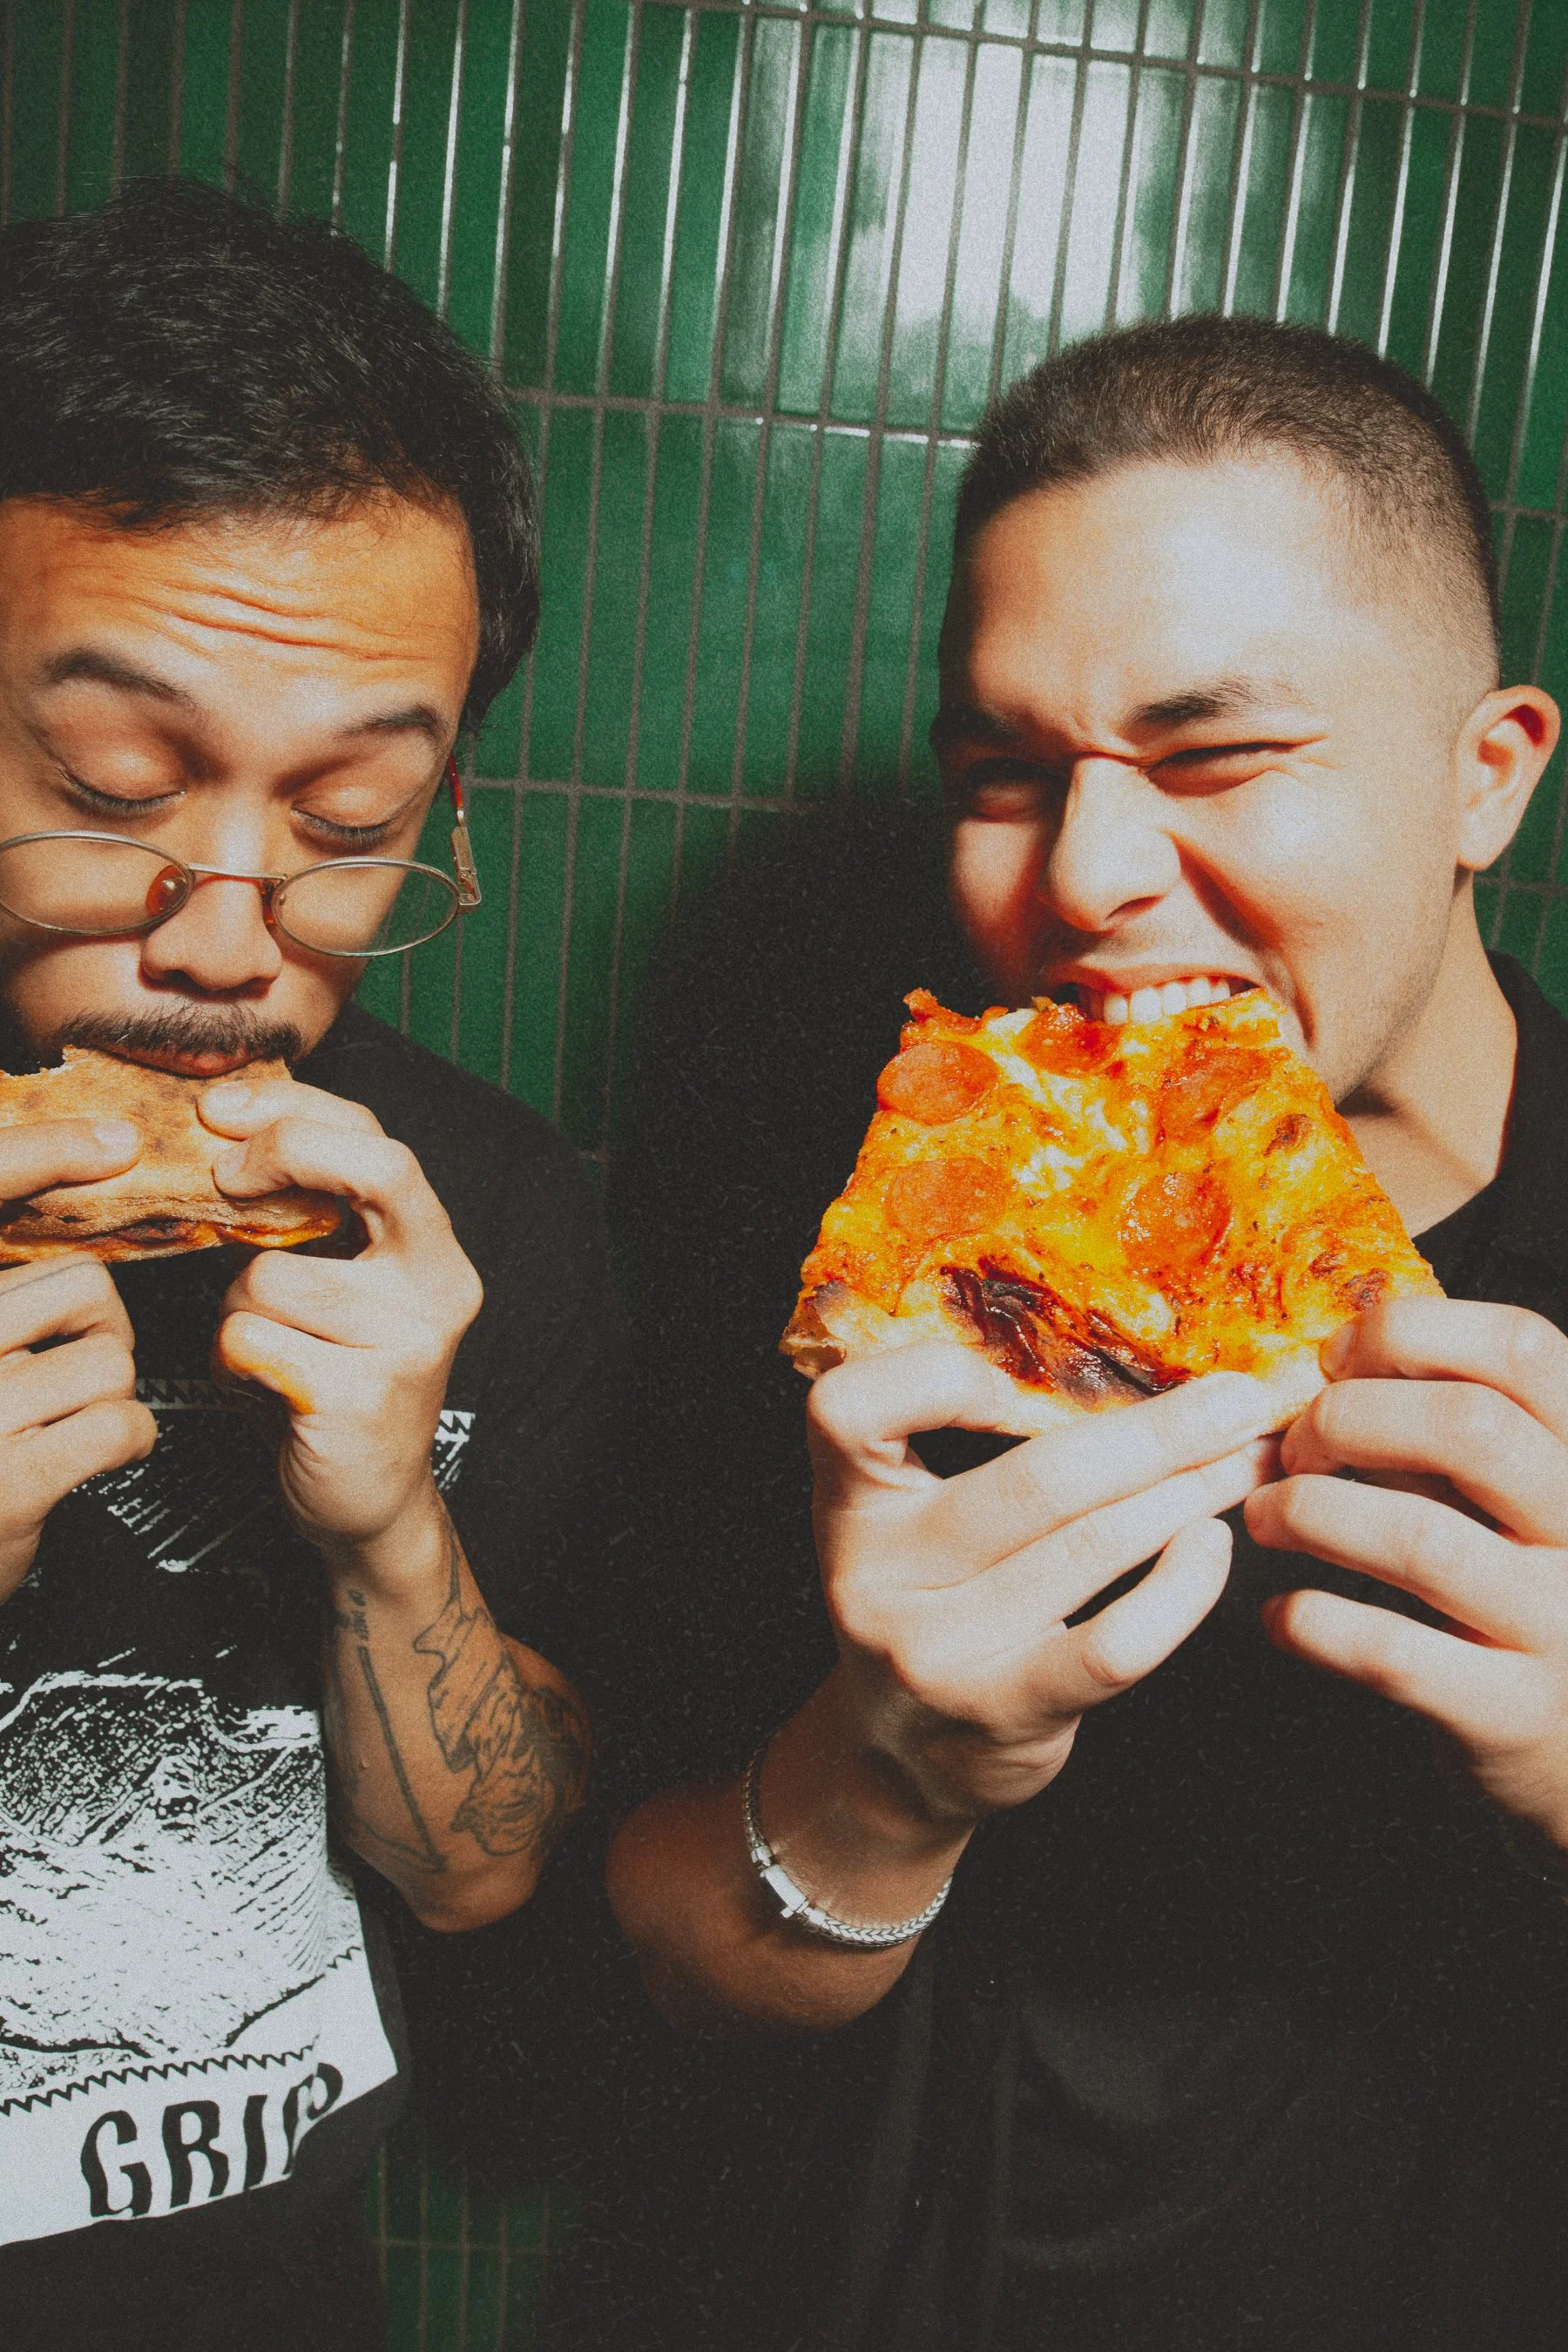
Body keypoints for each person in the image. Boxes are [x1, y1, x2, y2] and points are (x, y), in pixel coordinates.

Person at [593, 316, 1568, 2350]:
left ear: (1485, 777)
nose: (1086, 875)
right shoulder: (865, 1275)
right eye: (1004, 777)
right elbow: (659, 1957)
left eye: (1216, 757)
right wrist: (886, 1775)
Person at [0, 179, 619, 2349]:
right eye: (111, 782)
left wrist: (389, 1542)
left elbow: (479, 1866)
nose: (226, 934)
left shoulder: (484, 1215)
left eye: (350, 824)